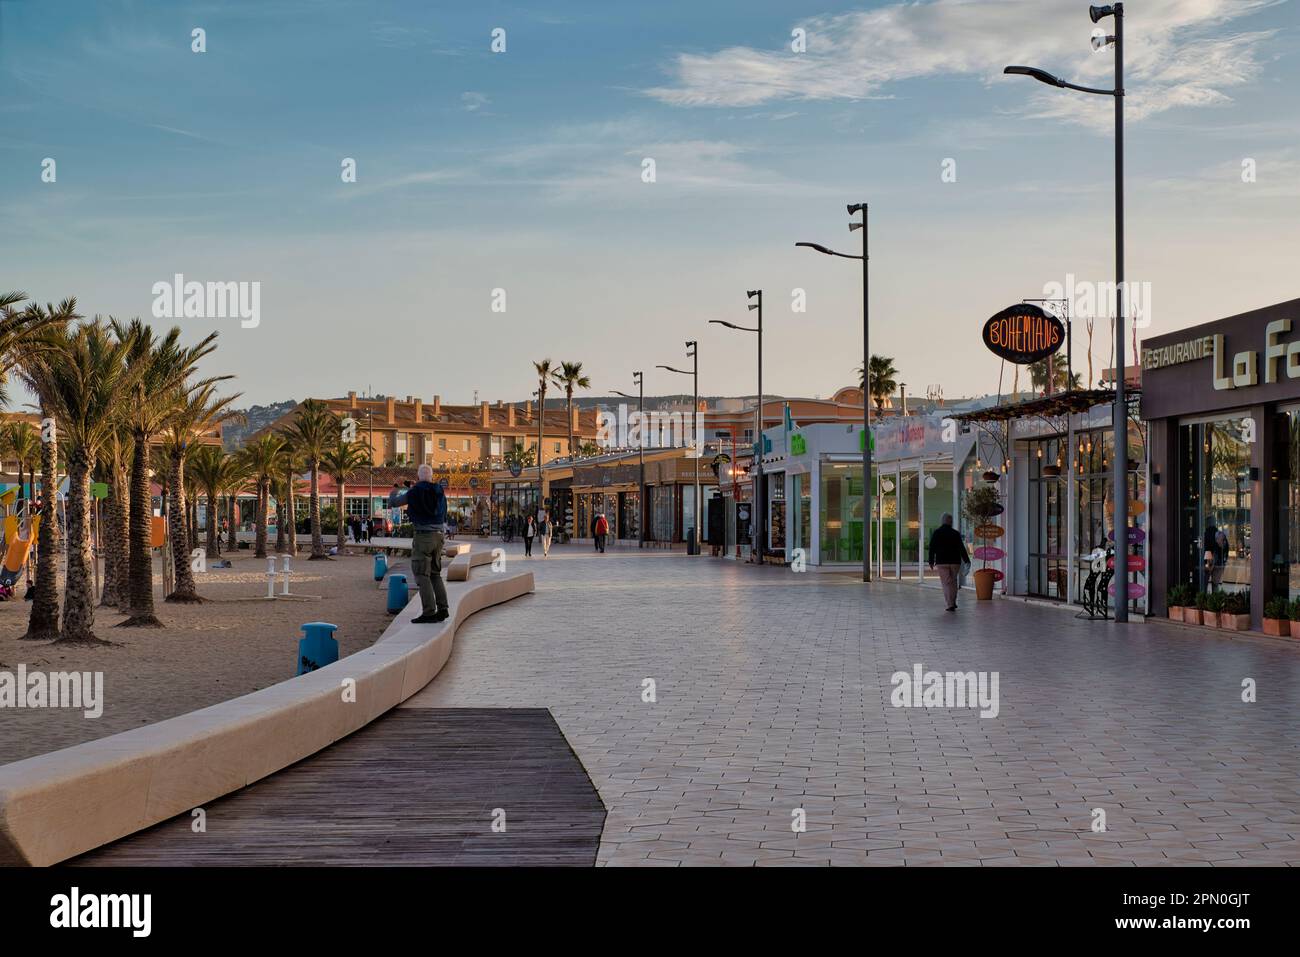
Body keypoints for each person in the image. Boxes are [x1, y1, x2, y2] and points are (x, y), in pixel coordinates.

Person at [387, 464, 450, 623]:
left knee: (422, 575)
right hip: (439, 536)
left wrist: (396, 486)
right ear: (432, 476)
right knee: (435, 574)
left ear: (418, 477)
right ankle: (443, 609)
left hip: (423, 536)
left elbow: (393, 502)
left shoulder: (414, 492)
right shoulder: (439, 491)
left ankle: (429, 612)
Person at [927, 513, 970, 612]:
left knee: (946, 583)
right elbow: (961, 548)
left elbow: (932, 547)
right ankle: (953, 602)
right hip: (955, 562)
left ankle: (950, 604)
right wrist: (967, 560)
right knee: (953, 582)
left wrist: (931, 561)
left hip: (942, 562)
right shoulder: (955, 533)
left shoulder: (937, 532)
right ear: (950, 522)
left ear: (942, 521)